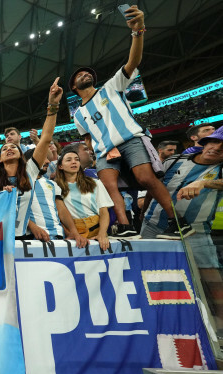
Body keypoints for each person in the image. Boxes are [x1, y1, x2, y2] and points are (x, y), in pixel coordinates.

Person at [69, 5, 190, 240]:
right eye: (78, 76)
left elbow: (133, 61)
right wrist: (95, 152)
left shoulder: (111, 87)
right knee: (107, 187)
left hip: (129, 139)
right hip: (105, 150)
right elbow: (86, 137)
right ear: (74, 87)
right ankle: (126, 225)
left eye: (87, 74)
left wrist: (137, 32)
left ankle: (177, 221)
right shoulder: (77, 114)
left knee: (146, 178)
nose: (84, 75)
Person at [141, 128, 223, 328]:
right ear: (204, 142)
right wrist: (143, 213)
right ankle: (152, 317)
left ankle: (220, 326)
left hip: (195, 231)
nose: (217, 148)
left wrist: (204, 183)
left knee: (212, 278)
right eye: (214, 142)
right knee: (147, 271)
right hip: (153, 226)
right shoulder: (174, 161)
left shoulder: (220, 169)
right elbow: (154, 187)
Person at [0, 77, 62, 237]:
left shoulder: (29, 171)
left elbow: (45, 138)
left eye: (13, 147)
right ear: (0, 158)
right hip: (0, 239)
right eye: (5, 148)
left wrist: (53, 105)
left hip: (25, 237)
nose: (9, 148)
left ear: (20, 154)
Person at [24, 150, 88, 248]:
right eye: (44, 158)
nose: (48, 162)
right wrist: (32, 227)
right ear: (31, 161)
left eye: (48, 158)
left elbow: (61, 210)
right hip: (31, 237)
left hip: (58, 236)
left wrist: (73, 232)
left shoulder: (52, 184)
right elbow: (14, 210)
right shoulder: (17, 183)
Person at [54, 150, 113, 250]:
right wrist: (71, 233)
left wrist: (102, 234)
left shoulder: (95, 183)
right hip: (74, 232)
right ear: (60, 166)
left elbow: (103, 211)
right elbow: (58, 216)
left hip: (97, 228)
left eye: (77, 160)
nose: (74, 162)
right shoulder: (55, 187)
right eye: (69, 160)